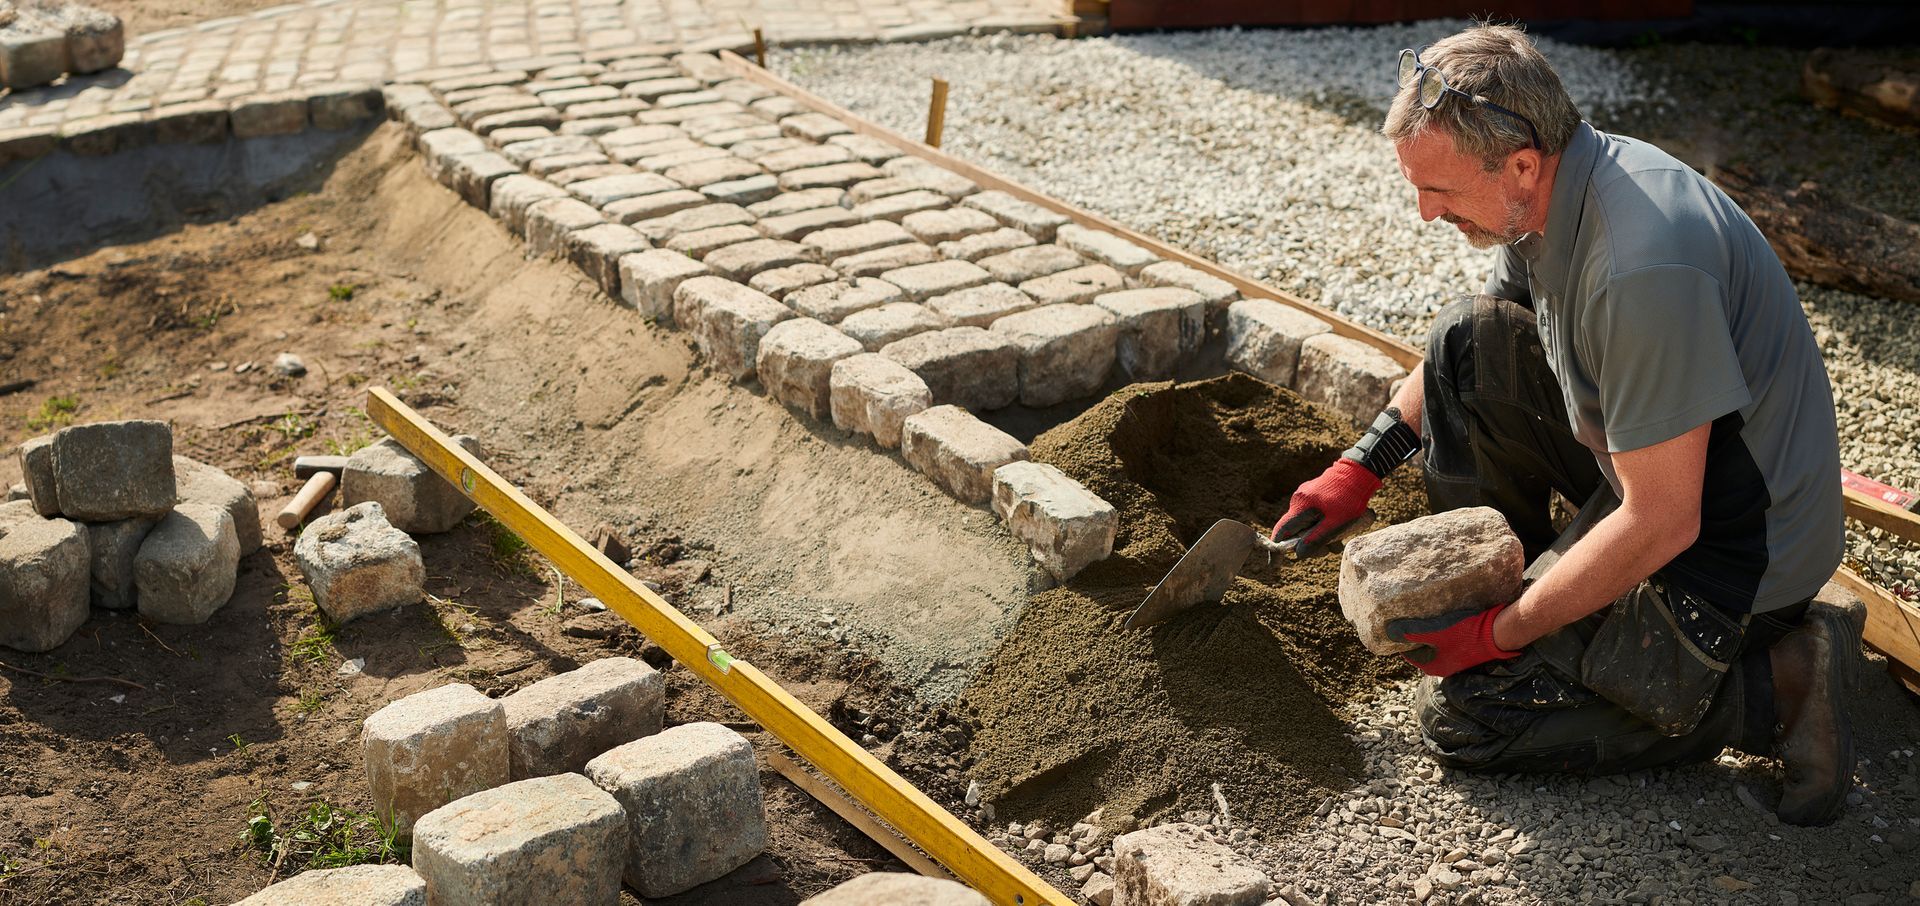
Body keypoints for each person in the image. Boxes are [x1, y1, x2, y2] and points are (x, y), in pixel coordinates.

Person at [1270, 23, 1863, 826]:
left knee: (1472, 719)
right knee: (1465, 338)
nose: (1423, 212)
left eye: (1438, 190)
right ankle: (1523, 589)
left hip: (1736, 547)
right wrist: (1363, 464)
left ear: (1519, 161)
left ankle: (1778, 683)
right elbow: (1484, 338)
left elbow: (1664, 520)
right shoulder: (1548, 188)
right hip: (1657, 467)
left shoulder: (1640, 265)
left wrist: (1503, 633)